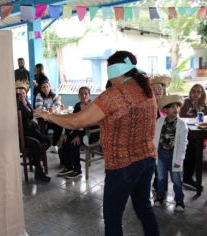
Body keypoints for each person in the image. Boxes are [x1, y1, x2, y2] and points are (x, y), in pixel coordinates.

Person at [34, 51, 159, 236]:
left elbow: (77, 122)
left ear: (113, 70)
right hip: (147, 160)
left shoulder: (114, 94)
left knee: (112, 216)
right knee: (143, 207)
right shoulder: (145, 88)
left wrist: (48, 115)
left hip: (122, 165)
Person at [153, 95, 188, 212]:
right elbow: (155, 138)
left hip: (174, 156)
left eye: (177, 106)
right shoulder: (159, 121)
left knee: (176, 180)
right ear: (165, 110)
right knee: (161, 178)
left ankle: (179, 200)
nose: (175, 109)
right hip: (161, 155)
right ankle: (159, 196)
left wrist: (179, 159)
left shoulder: (182, 124)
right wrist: (154, 153)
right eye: (172, 107)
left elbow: (183, 143)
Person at [16, 81, 51, 182]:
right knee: (36, 144)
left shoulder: (27, 103)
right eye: (20, 94)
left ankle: (34, 158)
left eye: (24, 93)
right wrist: (24, 105)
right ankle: (38, 172)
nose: (22, 95)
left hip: (31, 132)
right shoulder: (17, 106)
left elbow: (32, 115)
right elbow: (27, 117)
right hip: (23, 135)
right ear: (17, 95)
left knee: (47, 140)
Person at [57, 87, 91, 179]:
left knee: (73, 144)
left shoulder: (92, 107)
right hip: (77, 132)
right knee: (65, 141)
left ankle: (77, 170)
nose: (83, 96)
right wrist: (66, 134)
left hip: (89, 134)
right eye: (81, 94)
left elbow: (91, 125)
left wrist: (80, 136)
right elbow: (72, 121)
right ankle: (69, 167)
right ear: (78, 95)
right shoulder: (77, 106)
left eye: (85, 93)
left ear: (89, 95)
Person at [179, 83, 207, 191]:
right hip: (186, 132)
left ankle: (188, 177)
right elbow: (182, 117)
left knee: (196, 147)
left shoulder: (204, 105)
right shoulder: (186, 102)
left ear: (202, 93)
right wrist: (194, 109)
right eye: (193, 91)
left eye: (198, 92)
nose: (195, 94)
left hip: (199, 133)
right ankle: (187, 178)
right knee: (192, 147)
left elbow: (204, 120)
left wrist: (199, 109)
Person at [151, 75, 171, 192]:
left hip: (165, 137)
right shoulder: (149, 104)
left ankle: (160, 181)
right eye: (155, 88)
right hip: (152, 139)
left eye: (160, 87)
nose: (158, 90)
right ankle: (158, 181)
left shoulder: (168, 103)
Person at [35, 76, 63, 153]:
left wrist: (51, 113)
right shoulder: (39, 96)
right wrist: (50, 113)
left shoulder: (54, 94)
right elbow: (40, 109)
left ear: (50, 87)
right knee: (43, 129)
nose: (46, 88)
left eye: (47, 86)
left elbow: (58, 105)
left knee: (60, 126)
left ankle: (53, 145)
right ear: (41, 89)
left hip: (52, 117)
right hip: (42, 118)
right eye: (43, 87)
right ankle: (43, 147)